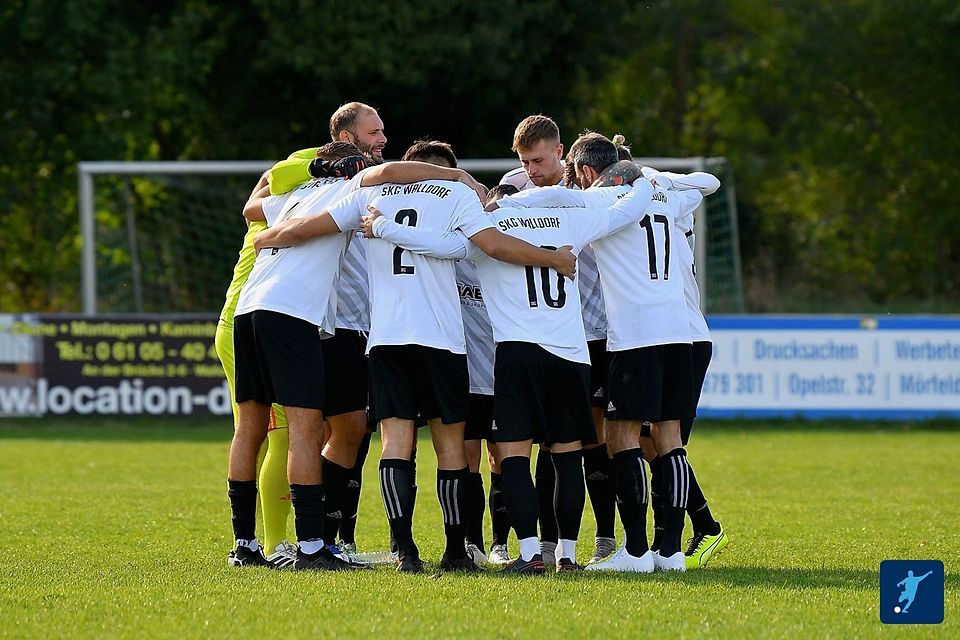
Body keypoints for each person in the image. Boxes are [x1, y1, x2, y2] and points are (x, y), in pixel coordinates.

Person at [252, 156, 575, 573]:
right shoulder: (457, 192)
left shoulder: (369, 194)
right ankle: (457, 551)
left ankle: (405, 551)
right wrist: (553, 258)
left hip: (387, 338)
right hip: (441, 338)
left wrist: (267, 239)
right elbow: (492, 245)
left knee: (395, 444)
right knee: (450, 446)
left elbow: (303, 228)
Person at [371, 172, 655, 573]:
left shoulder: (487, 226)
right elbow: (625, 211)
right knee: (567, 457)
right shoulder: (568, 220)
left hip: (518, 353)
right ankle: (568, 557)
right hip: (571, 354)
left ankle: (527, 555)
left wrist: (383, 227)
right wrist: (638, 178)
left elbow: (440, 246)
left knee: (513, 457)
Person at [495, 132, 709, 573]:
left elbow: (552, 202)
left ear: (588, 174)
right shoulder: (668, 197)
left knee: (622, 438)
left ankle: (633, 552)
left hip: (634, 336)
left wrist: (501, 205)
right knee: (669, 442)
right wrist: (651, 176)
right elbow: (709, 182)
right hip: (679, 334)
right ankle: (669, 552)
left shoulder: (600, 205)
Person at [504, 117, 618, 567]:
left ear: (562, 152)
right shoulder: (514, 190)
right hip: (547, 334)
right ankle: (547, 545)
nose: (531, 170)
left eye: (539, 160)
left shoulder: (589, 196)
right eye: (525, 161)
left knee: (592, 443)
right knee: (544, 446)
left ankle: (606, 537)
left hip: (596, 331)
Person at [638, 166, 729, 570]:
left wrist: (657, 176)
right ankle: (676, 535)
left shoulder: (664, 202)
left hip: (685, 336)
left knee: (665, 441)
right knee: (649, 440)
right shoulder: (664, 204)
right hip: (662, 334)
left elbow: (709, 181)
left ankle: (697, 531)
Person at [215, 170, 291, 566]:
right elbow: (270, 181)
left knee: (250, 431)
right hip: (258, 324)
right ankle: (277, 544)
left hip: (235, 322)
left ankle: (246, 543)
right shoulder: (302, 194)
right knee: (283, 433)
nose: (382, 140)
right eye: (374, 132)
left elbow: (259, 191)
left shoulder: (278, 200)